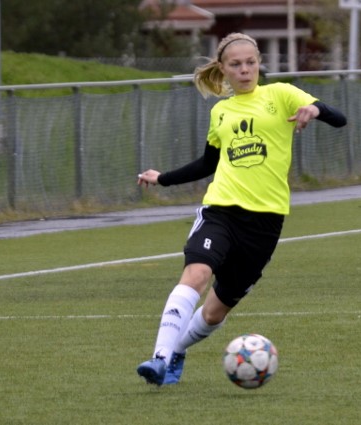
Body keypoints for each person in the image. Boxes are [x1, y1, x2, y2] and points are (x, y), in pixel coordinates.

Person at [136, 33, 347, 386]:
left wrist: (316, 109)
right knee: (197, 274)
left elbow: (339, 119)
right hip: (221, 210)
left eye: (250, 62)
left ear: (259, 63)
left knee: (214, 313)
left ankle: (178, 350)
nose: (245, 70)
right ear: (223, 69)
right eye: (236, 64)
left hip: (265, 223)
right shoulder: (220, 111)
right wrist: (164, 179)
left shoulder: (281, 94)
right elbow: (208, 164)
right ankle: (159, 358)